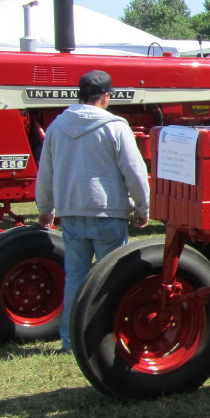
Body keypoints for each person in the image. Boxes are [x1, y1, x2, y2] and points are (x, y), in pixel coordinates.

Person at [36, 70, 150, 352]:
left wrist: (45, 208)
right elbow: (134, 171)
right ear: (106, 96)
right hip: (108, 210)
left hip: (71, 211)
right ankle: (106, 336)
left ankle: (71, 340)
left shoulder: (57, 126)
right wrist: (142, 207)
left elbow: (45, 172)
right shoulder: (116, 126)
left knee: (76, 276)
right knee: (111, 278)